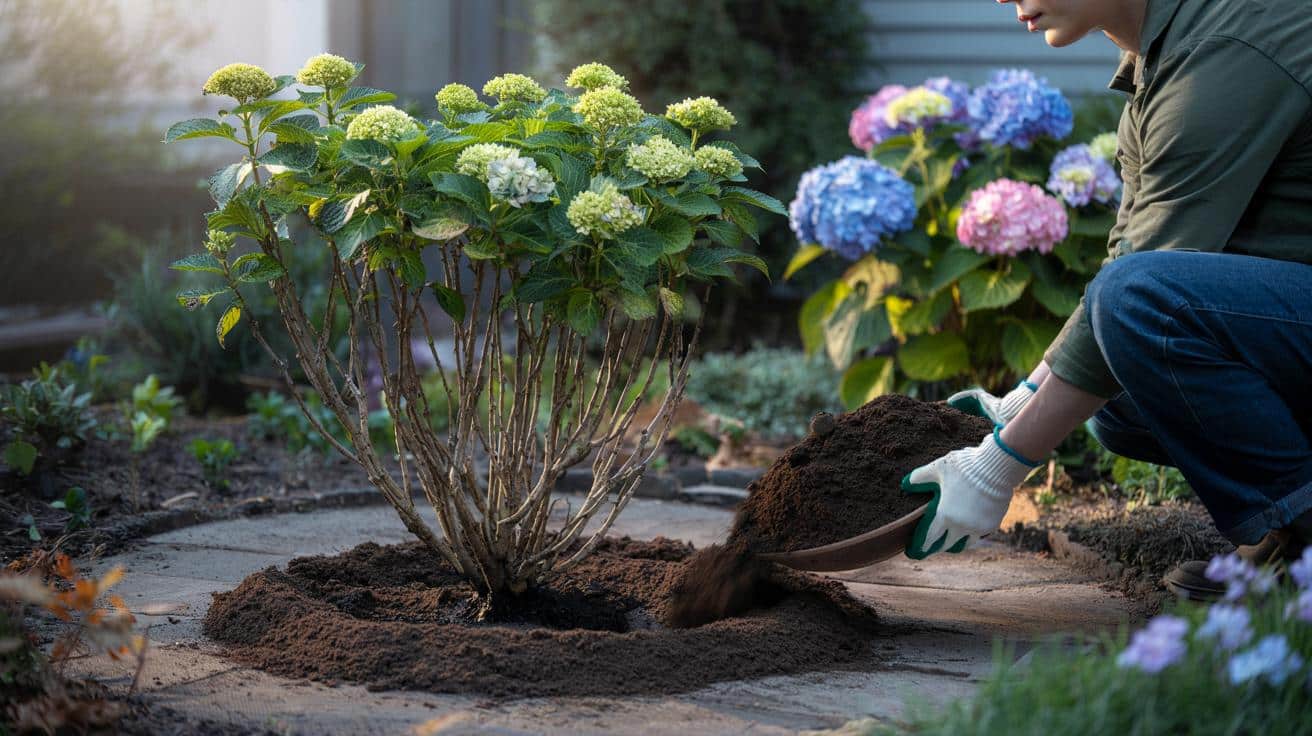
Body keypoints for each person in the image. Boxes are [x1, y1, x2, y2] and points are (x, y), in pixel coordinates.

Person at [902, 0, 1312, 601]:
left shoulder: (1226, 49)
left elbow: (1138, 291)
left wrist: (998, 467)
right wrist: (1023, 399)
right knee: (1117, 401)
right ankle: (1293, 529)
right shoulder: (1165, 56)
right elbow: (1132, 250)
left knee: (1139, 311)